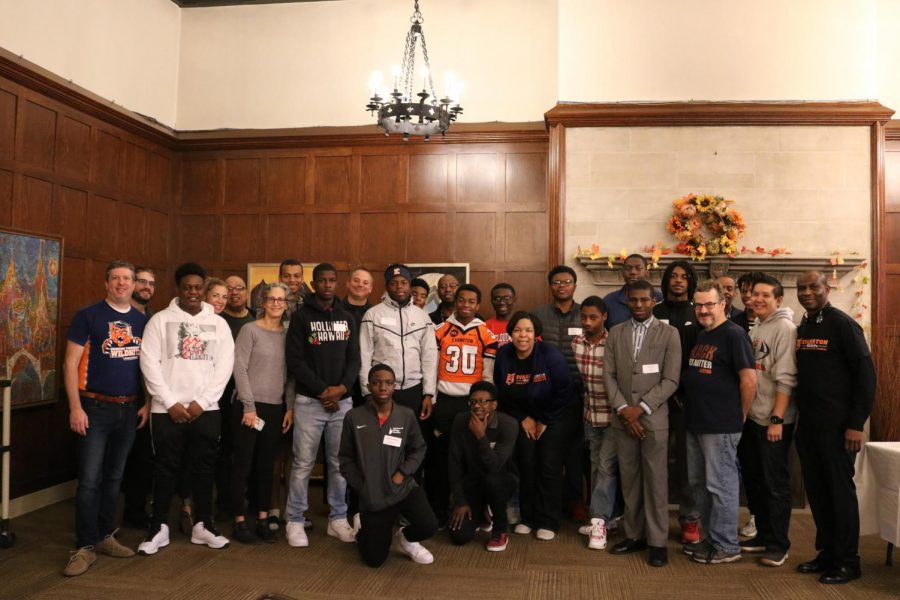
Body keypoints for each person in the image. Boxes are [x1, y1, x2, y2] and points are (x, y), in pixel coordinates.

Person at [137, 262, 235, 555]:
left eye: (198, 287)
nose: (193, 292)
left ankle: (203, 526)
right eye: (187, 287)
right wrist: (170, 402)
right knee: (165, 469)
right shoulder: (159, 321)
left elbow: (225, 367)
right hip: (166, 411)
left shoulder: (218, 323)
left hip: (207, 410)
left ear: (203, 289)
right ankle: (158, 528)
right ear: (178, 289)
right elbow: (148, 363)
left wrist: (201, 402)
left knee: (205, 468)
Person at [62, 260, 148, 576]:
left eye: (128, 278)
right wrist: (75, 407)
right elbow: (70, 364)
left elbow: (147, 367)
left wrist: (148, 403)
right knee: (89, 480)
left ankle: (104, 536)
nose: (122, 283)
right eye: (116, 278)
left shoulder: (141, 321)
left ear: (134, 284)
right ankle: (84, 546)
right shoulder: (89, 316)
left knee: (114, 478)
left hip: (129, 409)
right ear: (107, 283)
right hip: (93, 409)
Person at [794, 271, 875, 584]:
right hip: (810, 427)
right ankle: (828, 552)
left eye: (814, 287)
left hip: (839, 428)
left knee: (840, 495)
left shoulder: (842, 323)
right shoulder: (805, 325)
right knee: (818, 492)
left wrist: (856, 425)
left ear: (827, 288)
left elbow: (866, 375)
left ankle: (848, 561)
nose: (807, 292)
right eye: (802, 288)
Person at [285, 263, 361, 547]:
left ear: (336, 283)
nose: (328, 285)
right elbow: (295, 360)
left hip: (342, 403)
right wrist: (322, 391)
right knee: (303, 464)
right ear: (314, 284)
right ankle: (294, 519)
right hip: (309, 402)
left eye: (332, 280)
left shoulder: (347, 318)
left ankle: (337, 519)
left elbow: (355, 359)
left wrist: (341, 389)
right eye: (322, 281)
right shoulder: (301, 317)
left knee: (339, 464)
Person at [605, 280, 681, 567]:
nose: (638, 305)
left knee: (656, 482)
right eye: (633, 300)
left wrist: (641, 409)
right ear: (626, 301)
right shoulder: (615, 333)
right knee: (631, 481)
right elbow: (609, 376)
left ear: (653, 301)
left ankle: (657, 542)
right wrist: (625, 410)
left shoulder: (669, 334)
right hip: (623, 419)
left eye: (644, 300)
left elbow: (671, 379)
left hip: (653, 418)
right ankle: (634, 536)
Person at [681, 280, 756, 565]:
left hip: (721, 424)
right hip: (697, 422)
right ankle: (712, 538)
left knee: (721, 485)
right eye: (698, 305)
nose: (703, 310)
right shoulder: (703, 335)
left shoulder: (734, 335)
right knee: (700, 485)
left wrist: (741, 414)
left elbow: (749, 379)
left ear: (723, 304)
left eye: (709, 304)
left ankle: (727, 544)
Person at [339, 364, 437, 567]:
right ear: (368, 386)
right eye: (376, 383)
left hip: (403, 489)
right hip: (374, 498)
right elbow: (345, 459)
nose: (382, 387)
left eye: (388, 383)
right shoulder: (353, 417)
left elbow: (419, 448)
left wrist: (403, 472)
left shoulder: (406, 415)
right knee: (374, 560)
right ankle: (363, 526)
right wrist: (361, 485)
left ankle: (404, 538)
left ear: (394, 387)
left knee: (429, 525)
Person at [494, 311, 572, 540]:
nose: (523, 335)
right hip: (522, 416)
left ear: (536, 333)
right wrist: (522, 418)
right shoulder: (503, 354)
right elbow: (502, 392)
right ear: (510, 333)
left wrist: (545, 420)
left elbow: (564, 392)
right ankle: (528, 517)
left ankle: (548, 520)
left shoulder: (551, 355)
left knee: (548, 464)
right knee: (526, 463)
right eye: (518, 330)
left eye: (528, 330)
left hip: (555, 415)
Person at [737, 275, 797, 567]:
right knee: (755, 480)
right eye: (753, 294)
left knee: (775, 484)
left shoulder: (785, 328)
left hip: (774, 421)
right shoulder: (759, 325)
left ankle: (778, 544)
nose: (757, 299)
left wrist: (777, 419)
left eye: (764, 295)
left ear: (778, 300)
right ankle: (763, 534)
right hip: (754, 418)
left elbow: (786, 378)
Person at [429, 284, 498, 527]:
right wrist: (431, 396)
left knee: (471, 458)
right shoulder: (439, 330)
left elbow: (488, 374)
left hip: (472, 403)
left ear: (478, 305)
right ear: (455, 302)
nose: (466, 305)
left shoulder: (485, 333)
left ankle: (476, 509)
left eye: (471, 301)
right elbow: (431, 366)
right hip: (445, 401)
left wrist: (486, 406)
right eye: (461, 300)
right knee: (441, 457)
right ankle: (438, 512)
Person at [230, 282, 293, 544]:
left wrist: (289, 406)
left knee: (267, 467)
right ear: (263, 302)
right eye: (272, 299)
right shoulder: (249, 330)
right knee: (243, 465)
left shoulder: (288, 335)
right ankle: (239, 520)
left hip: (276, 407)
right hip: (249, 407)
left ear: (286, 305)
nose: (276, 303)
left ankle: (264, 518)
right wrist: (249, 406)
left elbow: (291, 376)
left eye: (281, 300)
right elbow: (239, 369)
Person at [531, 265, 585, 522]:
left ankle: (575, 501)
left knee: (575, 453)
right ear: (550, 286)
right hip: (546, 393)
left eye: (567, 282)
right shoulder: (539, 314)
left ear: (575, 285)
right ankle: (547, 505)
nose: (562, 286)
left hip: (578, 393)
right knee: (548, 454)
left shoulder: (585, 313)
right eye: (556, 282)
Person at [653, 259, 701, 544]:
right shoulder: (653, 312)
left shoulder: (698, 313)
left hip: (686, 400)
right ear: (667, 280)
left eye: (684, 276)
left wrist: (681, 389)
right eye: (674, 276)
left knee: (688, 462)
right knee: (655, 461)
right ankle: (653, 519)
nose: (679, 280)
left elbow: (700, 356)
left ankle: (690, 519)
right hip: (654, 399)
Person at [359, 263, 437, 422]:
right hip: (382, 390)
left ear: (409, 285)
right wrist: (367, 392)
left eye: (403, 282)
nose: (399, 287)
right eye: (393, 283)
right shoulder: (372, 315)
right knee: (382, 441)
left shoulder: (422, 317)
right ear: (387, 286)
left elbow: (429, 357)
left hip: (413, 389)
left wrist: (429, 393)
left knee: (411, 440)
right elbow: (364, 355)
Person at [447, 381, 518, 552]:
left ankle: (500, 530)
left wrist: (481, 436)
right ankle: (481, 513)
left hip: (501, 481)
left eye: (483, 401)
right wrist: (460, 501)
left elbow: (495, 466)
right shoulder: (460, 421)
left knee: (491, 480)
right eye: (473, 402)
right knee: (459, 537)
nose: (477, 406)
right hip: (473, 483)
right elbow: (453, 463)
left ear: (494, 404)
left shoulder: (508, 424)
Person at [572, 296, 618, 550]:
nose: (588, 322)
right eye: (584, 317)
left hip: (613, 417)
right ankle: (602, 516)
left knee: (606, 467)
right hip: (590, 415)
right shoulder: (577, 343)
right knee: (594, 466)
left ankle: (599, 522)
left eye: (593, 317)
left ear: (604, 317)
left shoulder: (614, 343)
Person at [121, 266, 156, 530]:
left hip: (145, 400)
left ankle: (135, 512)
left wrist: (149, 401)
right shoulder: (121, 317)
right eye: (141, 281)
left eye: (151, 283)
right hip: (115, 398)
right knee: (117, 461)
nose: (146, 287)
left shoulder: (154, 319)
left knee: (143, 460)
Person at [602, 254, 662, 330]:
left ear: (647, 273)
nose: (633, 272)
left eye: (638, 268)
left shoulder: (660, 299)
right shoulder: (609, 301)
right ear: (622, 272)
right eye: (628, 268)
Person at [344, 267, 374, 332]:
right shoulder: (335, 310)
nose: (360, 284)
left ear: (371, 288)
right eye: (356, 280)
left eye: (365, 283)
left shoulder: (375, 313)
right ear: (348, 283)